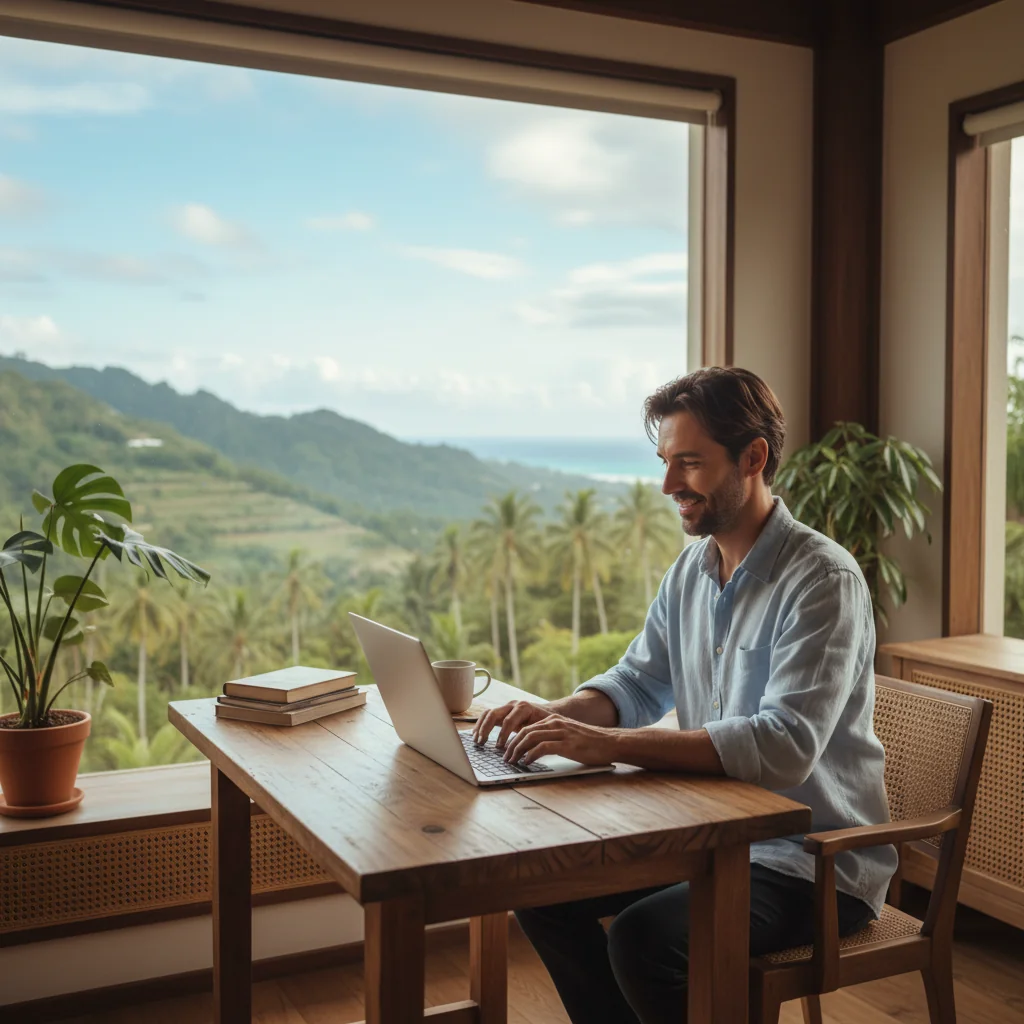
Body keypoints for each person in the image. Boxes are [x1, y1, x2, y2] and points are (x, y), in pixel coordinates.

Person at [472, 366, 896, 1024]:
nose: (669, 485)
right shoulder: (691, 572)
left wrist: (605, 744)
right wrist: (556, 715)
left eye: (690, 464)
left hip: (812, 864)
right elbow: (638, 681)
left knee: (646, 941)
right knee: (542, 892)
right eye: (667, 462)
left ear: (753, 457)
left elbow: (782, 748)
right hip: (711, 842)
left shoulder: (822, 581)